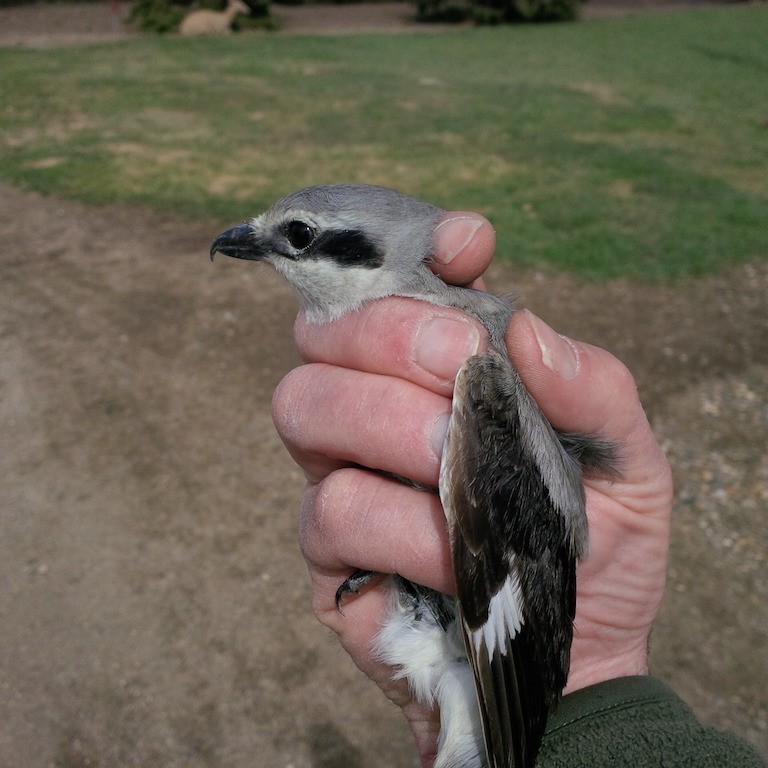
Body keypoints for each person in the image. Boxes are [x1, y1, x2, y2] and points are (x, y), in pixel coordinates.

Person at [271, 212, 766, 767]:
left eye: (297, 237)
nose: (248, 242)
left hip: (501, 680)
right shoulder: (456, 348)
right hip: (482, 663)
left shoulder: (487, 373)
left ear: (371, 247)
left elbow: (516, 631)